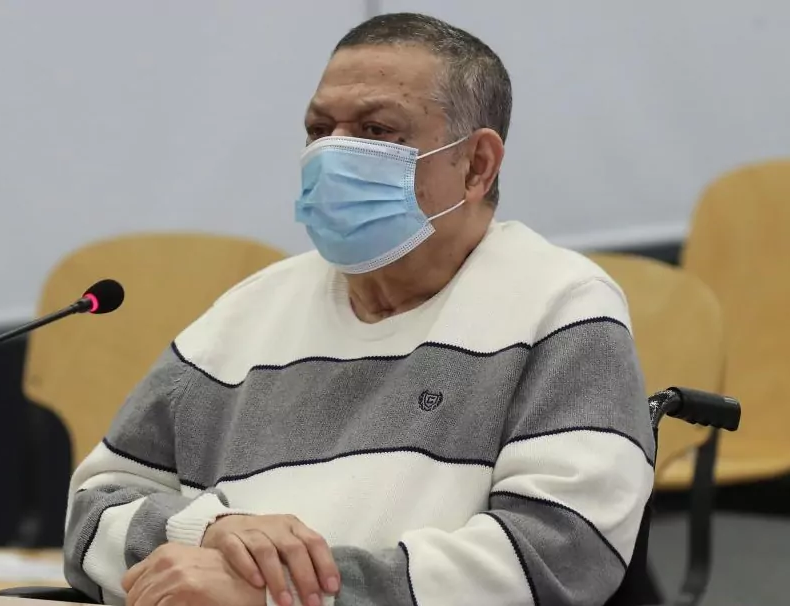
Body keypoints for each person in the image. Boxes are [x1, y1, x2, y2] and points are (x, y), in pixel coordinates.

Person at [64, 12, 654, 606]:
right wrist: (206, 532)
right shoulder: (245, 315)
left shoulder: (560, 307)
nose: (333, 154)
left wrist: (280, 595)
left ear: (477, 165)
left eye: (376, 130)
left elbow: (561, 555)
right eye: (320, 130)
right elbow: (92, 515)